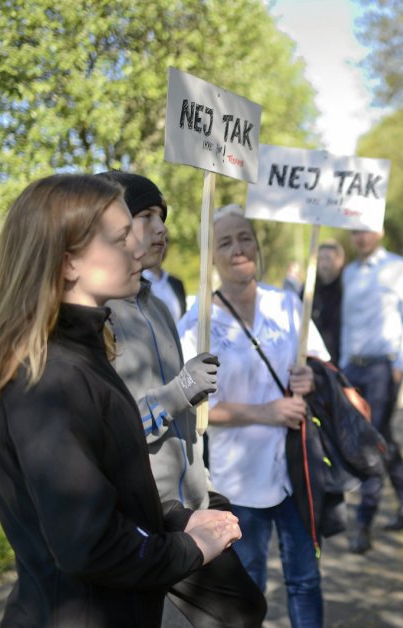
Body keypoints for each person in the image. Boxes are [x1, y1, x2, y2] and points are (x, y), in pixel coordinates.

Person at [0, 174, 240, 627]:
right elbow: (89, 546)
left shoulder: (82, 353)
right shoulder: (46, 382)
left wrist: (176, 520)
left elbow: (110, 499)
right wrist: (191, 548)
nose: (138, 247)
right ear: (69, 262)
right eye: (120, 237)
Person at [100, 171, 266, 627]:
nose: (161, 228)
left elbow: (186, 424)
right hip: (145, 509)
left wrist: (203, 487)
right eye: (146, 216)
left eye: (163, 216)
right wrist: (180, 390)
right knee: (242, 610)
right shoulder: (98, 316)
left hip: (189, 500)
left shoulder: (157, 306)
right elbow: (113, 428)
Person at [178, 204, 331, 628]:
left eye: (245, 237)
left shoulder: (286, 304)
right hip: (240, 482)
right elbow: (197, 409)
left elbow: (321, 365)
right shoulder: (197, 323)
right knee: (250, 588)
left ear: (258, 247)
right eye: (225, 242)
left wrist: (311, 375)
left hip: (296, 472)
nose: (238, 248)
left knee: (305, 580)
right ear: (212, 256)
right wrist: (265, 412)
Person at [341, 229, 403, 554]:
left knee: (371, 442)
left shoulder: (399, 268)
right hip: (354, 368)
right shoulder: (349, 273)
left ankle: (364, 521)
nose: (360, 237)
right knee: (382, 436)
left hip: (383, 368)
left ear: (380, 231)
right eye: (355, 231)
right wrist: (344, 367)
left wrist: (402, 363)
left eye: (366, 230)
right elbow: (348, 324)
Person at [308, 239, 346, 365]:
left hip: (340, 360)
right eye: (320, 259)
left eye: (328, 258)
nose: (323, 264)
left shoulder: (346, 289)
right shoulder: (308, 290)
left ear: (340, 261)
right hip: (314, 360)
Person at [143, 233, 187, 321]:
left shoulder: (176, 283)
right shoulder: (136, 282)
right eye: (158, 241)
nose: (163, 244)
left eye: (166, 240)